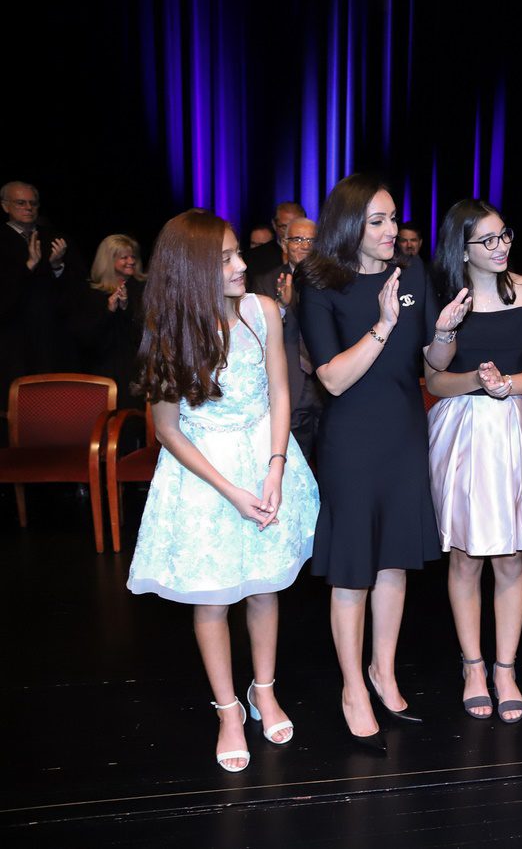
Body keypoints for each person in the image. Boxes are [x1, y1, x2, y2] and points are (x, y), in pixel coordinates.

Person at [126, 209, 320, 773]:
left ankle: (264, 690)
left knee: (264, 585)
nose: (240, 266)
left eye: (238, 253)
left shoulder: (263, 311)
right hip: (204, 473)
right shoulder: (170, 331)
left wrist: (275, 468)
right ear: (190, 271)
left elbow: (281, 391)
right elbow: (167, 429)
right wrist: (230, 490)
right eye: (225, 259)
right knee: (211, 597)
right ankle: (228, 710)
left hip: (264, 456)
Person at [297, 174, 470, 752]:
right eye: (378, 221)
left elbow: (433, 363)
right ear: (350, 226)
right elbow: (332, 378)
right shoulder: (319, 281)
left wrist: (444, 332)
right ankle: (352, 688)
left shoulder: (413, 274)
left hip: (403, 432)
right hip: (351, 441)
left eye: (393, 217)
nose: (392, 229)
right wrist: (384, 324)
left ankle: (383, 672)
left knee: (394, 561)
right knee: (354, 568)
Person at [426, 199, 522, 724]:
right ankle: (472, 666)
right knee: (465, 557)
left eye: (504, 235)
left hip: (517, 424)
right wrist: (474, 379)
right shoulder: (446, 299)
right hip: (462, 430)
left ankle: (505, 668)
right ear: (462, 249)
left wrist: (506, 385)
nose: (501, 247)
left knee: (512, 557)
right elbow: (434, 381)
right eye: (488, 240)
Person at [251, 217, 322, 458]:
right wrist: (281, 305)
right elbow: (258, 333)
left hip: (328, 387)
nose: (305, 245)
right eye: (298, 239)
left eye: (311, 240)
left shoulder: (333, 281)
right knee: (293, 461)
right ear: (284, 243)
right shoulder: (265, 281)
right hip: (291, 386)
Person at [1, 181, 75, 397]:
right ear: (5, 206)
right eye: (21, 203)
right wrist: (29, 267)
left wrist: (56, 265)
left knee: (48, 400)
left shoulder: (54, 238)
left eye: (33, 203)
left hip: (50, 340)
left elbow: (75, 289)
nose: (28, 208)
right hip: (12, 341)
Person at [69, 234, 147, 407]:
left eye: (133, 256)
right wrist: (109, 311)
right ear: (108, 261)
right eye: (124, 257)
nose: (131, 261)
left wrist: (125, 307)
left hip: (134, 370)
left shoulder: (142, 290)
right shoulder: (91, 294)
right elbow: (87, 339)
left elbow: (143, 332)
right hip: (103, 371)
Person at [244, 201, 306, 279]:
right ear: (274, 225)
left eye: (296, 226)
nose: (290, 232)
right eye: (284, 227)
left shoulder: (315, 257)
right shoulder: (253, 258)